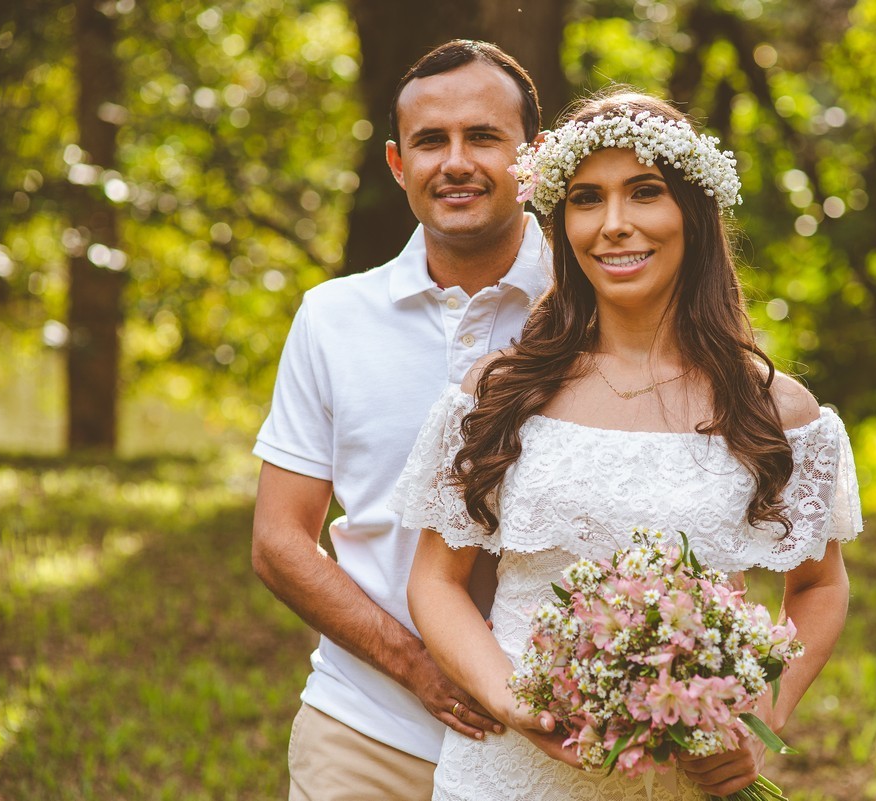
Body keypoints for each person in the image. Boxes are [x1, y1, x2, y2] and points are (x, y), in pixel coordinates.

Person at [393, 90, 863, 800]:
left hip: (687, 778)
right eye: (587, 199)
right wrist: (511, 696)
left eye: (645, 192)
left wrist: (763, 712)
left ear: (693, 214)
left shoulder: (772, 408)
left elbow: (819, 584)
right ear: (561, 221)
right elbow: (436, 579)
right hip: (510, 776)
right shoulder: (500, 393)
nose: (614, 225)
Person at [250, 40, 550, 801]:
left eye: (483, 136)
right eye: (430, 141)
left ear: (535, 157)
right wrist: (418, 665)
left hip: (552, 744)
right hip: (365, 728)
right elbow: (281, 541)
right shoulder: (332, 318)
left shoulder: (595, 311)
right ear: (396, 162)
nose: (456, 162)